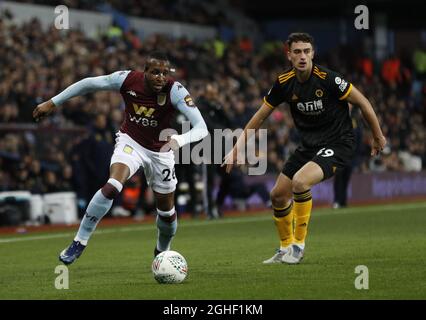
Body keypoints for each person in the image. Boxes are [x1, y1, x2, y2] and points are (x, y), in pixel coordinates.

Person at [223, 33, 386, 264]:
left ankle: (298, 247)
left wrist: (377, 136)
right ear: (288, 54)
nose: (303, 56)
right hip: (309, 146)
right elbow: (259, 117)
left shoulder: (328, 79)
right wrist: (236, 148)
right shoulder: (284, 83)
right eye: (297, 52)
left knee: (300, 182)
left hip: (338, 142)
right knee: (278, 196)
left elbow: (363, 102)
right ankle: (285, 248)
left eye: (307, 51)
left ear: (313, 53)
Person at [33, 51, 208, 265]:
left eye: (164, 73)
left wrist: (178, 141)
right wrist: (53, 102)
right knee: (112, 186)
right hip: (130, 142)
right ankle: (79, 241)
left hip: (161, 152)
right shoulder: (127, 80)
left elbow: (202, 128)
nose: (160, 77)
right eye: (155, 72)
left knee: (167, 212)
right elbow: (90, 83)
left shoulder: (176, 90)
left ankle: (162, 253)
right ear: (145, 72)